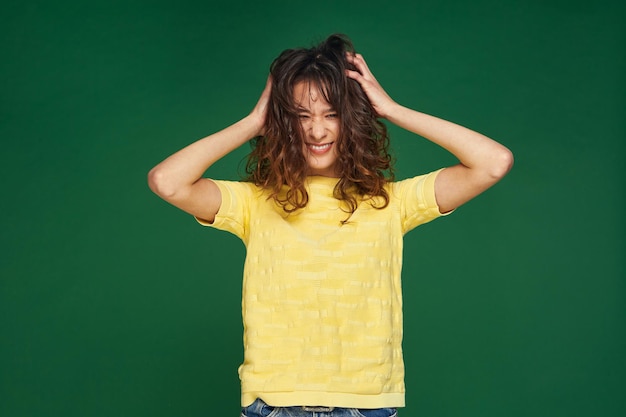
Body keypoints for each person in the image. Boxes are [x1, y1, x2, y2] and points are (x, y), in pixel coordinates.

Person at [148, 34, 513, 417]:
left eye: (331, 114)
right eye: (301, 116)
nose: (317, 131)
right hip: (274, 404)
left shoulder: (390, 202)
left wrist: (391, 109)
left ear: (352, 119)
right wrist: (254, 120)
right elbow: (167, 181)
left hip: (368, 404)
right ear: (284, 122)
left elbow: (493, 162)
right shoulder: (254, 202)